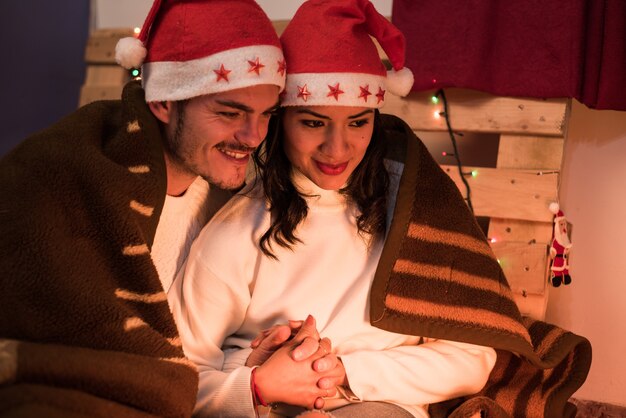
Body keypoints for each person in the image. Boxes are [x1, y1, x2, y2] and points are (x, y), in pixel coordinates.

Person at [168, 1, 500, 417]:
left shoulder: (415, 213)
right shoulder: (236, 233)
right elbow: (179, 379)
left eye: (358, 122)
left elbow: (472, 358)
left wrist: (340, 371)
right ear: (280, 120)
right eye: (312, 122)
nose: (337, 149)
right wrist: (256, 375)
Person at [0, 0, 286, 416]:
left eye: (266, 115)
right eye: (230, 112)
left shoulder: (238, 203)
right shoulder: (72, 173)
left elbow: (183, 349)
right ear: (164, 102)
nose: (253, 136)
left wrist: (248, 368)